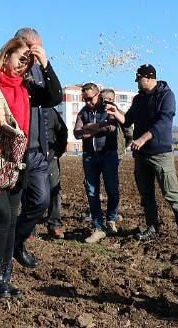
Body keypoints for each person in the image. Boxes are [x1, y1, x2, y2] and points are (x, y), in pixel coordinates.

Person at [0, 35, 61, 298]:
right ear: (6, 54)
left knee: (9, 218)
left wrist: (44, 63)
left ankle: (3, 276)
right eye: (21, 59)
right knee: (3, 216)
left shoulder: (28, 87)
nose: (24, 65)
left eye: (28, 62)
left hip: (15, 161)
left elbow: (55, 96)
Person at [106, 64, 178, 243]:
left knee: (171, 194)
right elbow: (127, 120)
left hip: (161, 155)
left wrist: (141, 139)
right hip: (141, 156)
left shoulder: (166, 95)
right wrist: (116, 113)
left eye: (138, 80)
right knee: (146, 195)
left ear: (147, 78)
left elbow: (163, 122)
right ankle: (152, 226)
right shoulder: (138, 99)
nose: (137, 83)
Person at [11, 27, 63, 267]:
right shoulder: (10, 68)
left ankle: (16, 241)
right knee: (9, 210)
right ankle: (3, 261)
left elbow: (54, 97)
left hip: (36, 151)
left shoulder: (40, 73)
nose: (40, 51)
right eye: (37, 47)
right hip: (12, 150)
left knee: (41, 202)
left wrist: (46, 64)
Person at [73, 83, 123, 243]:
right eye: (84, 99)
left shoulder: (109, 107)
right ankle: (98, 228)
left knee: (112, 190)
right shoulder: (83, 112)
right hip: (89, 156)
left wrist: (90, 128)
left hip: (109, 154)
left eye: (90, 99)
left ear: (98, 95)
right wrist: (93, 130)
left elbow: (111, 127)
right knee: (92, 193)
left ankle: (111, 218)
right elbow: (77, 132)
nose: (87, 102)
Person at [43, 107, 68, 239]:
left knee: (54, 190)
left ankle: (54, 224)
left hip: (50, 159)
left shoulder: (51, 112)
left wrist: (57, 152)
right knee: (29, 192)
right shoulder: (26, 107)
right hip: (30, 157)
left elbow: (63, 131)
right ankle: (29, 227)